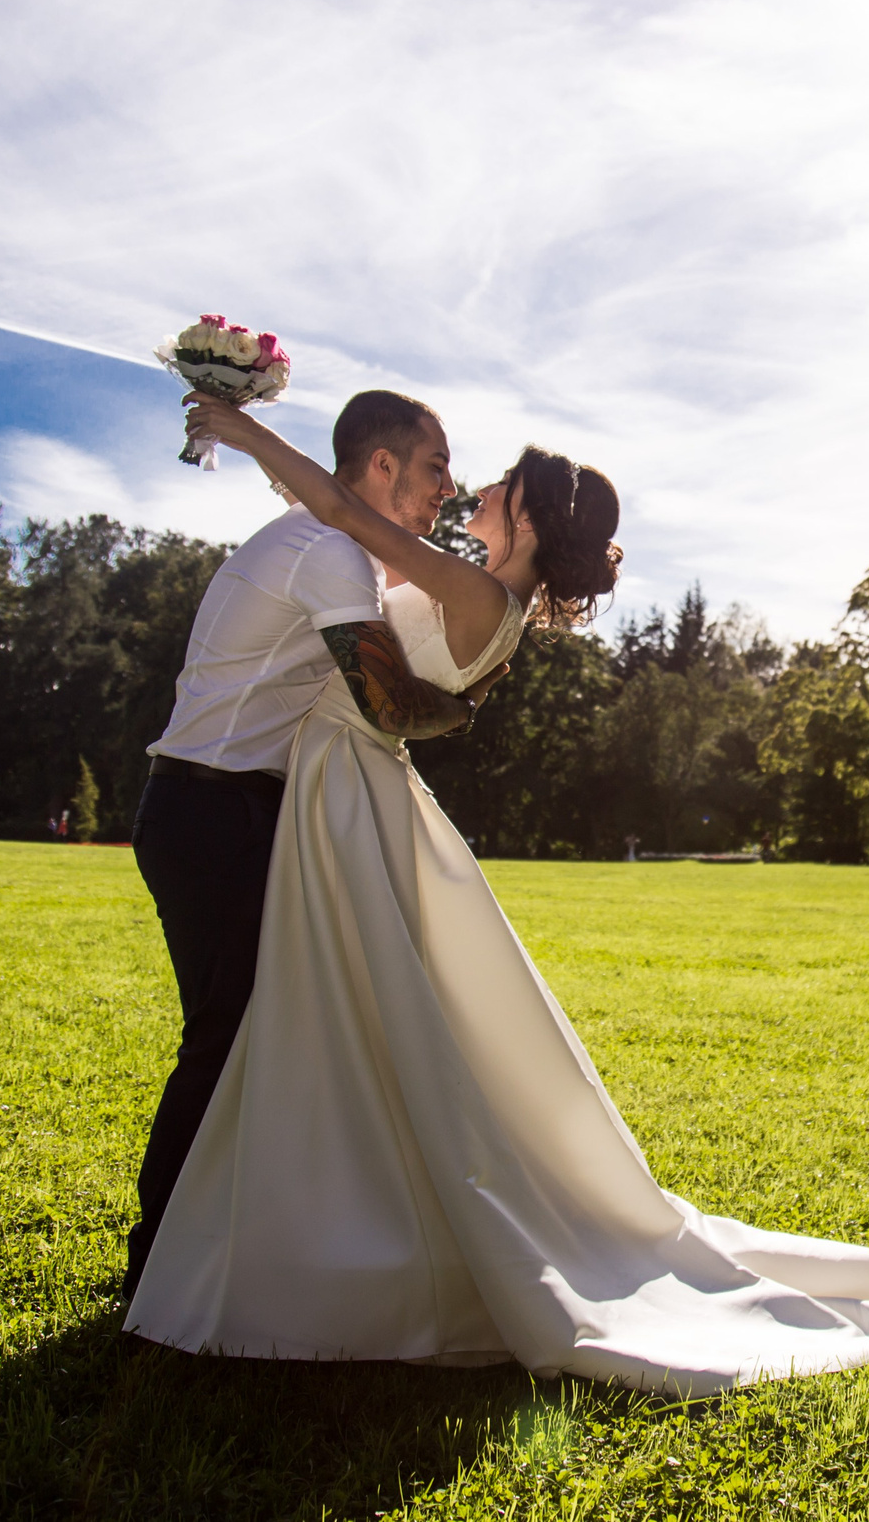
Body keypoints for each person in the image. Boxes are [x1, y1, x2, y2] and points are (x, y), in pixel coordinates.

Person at [129, 393, 869, 1397]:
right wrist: (445, 707)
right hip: (321, 800)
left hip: (341, 797)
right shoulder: (466, 587)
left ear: (529, 518)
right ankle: (237, 1235)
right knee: (298, 1030)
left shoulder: (467, 591)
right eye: (440, 466)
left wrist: (249, 433)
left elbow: (350, 536)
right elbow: (346, 527)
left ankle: (234, 1244)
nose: (468, 484)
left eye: (494, 480)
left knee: (284, 1030)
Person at [123, 389, 503, 1302]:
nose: (447, 488)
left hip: (223, 810)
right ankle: (156, 1263)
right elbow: (384, 705)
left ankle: (212, 1242)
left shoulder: (325, 538)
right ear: (382, 465)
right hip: (212, 814)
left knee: (252, 1032)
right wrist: (464, 706)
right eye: (435, 466)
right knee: (227, 1035)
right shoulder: (330, 552)